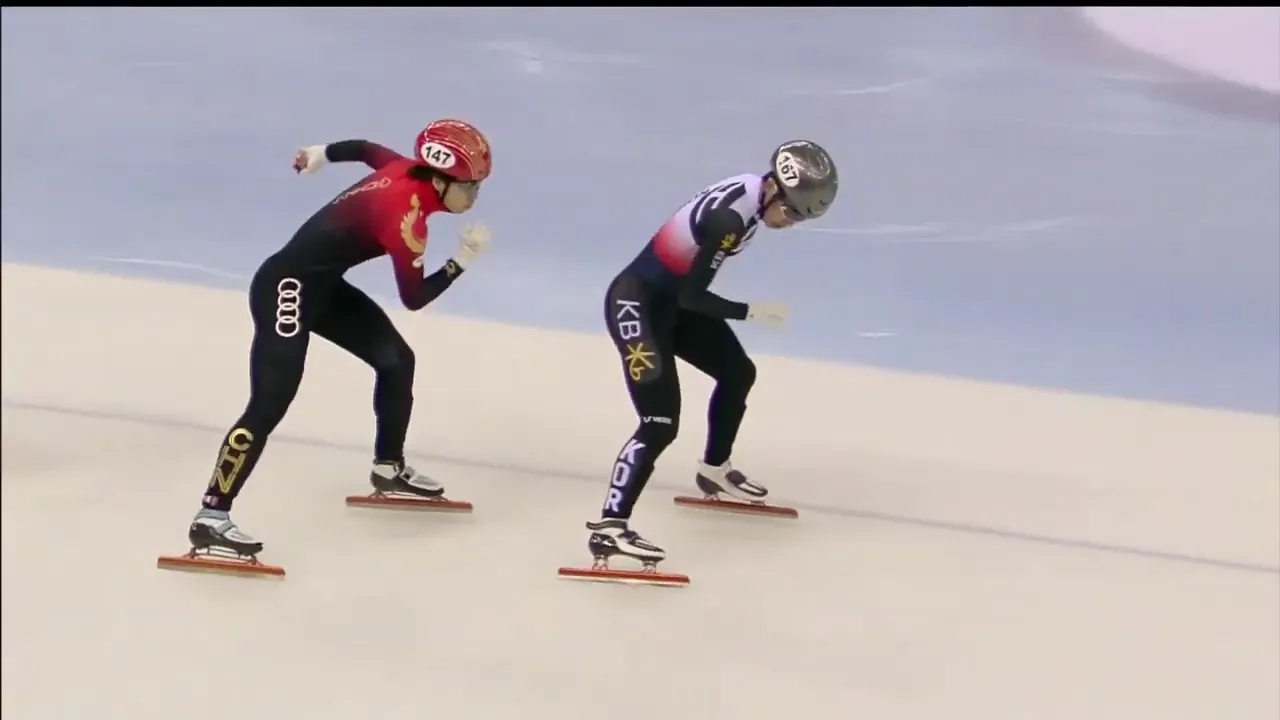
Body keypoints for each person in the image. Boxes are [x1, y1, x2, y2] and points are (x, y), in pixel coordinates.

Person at [187, 119, 494, 560]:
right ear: (442, 180)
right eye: (471, 186)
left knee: (396, 361)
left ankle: (388, 468)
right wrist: (460, 262)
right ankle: (211, 515)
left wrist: (321, 152)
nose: (475, 195)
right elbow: (414, 298)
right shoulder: (407, 222)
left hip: (322, 287)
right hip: (286, 288)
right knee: (269, 404)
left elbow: (366, 149)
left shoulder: (403, 167)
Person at [587, 140, 839, 569]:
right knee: (659, 423)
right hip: (638, 305)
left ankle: (714, 470)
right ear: (776, 190)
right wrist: (750, 311)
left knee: (738, 372)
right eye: (793, 212)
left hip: (668, 302)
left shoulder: (752, 191)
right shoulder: (730, 220)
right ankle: (610, 528)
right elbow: (694, 296)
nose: (791, 223)